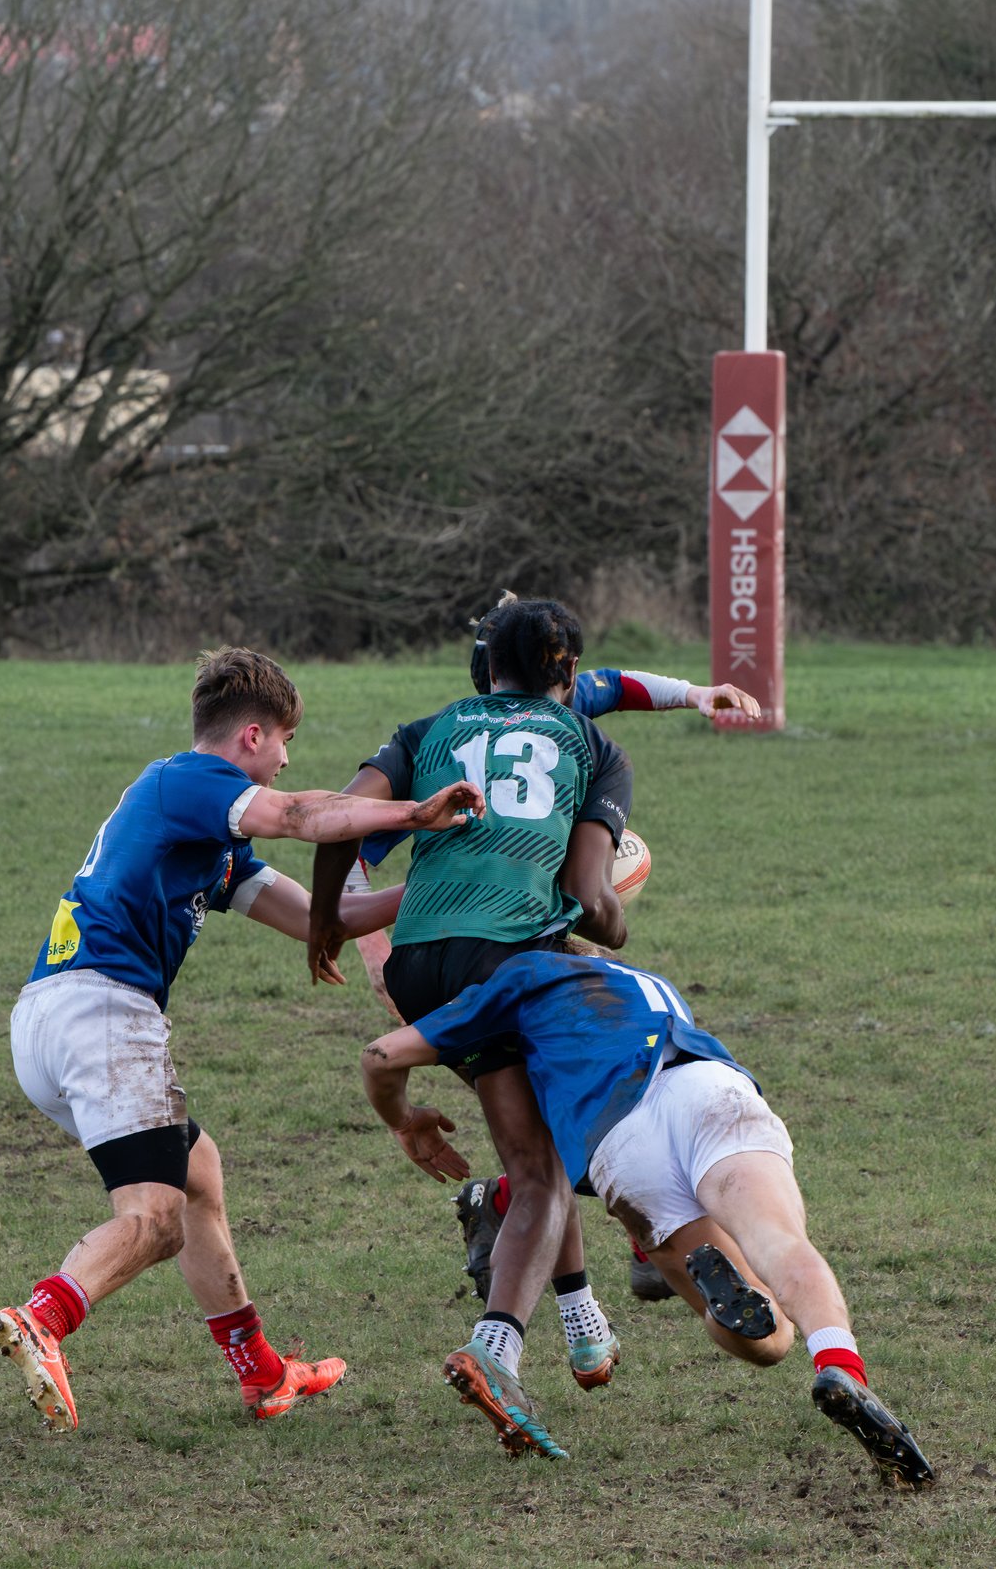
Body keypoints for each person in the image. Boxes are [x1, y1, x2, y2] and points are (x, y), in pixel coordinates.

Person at [0, 647, 482, 1434]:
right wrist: (410, 813)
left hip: (60, 1017)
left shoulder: (207, 841)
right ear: (251, 736)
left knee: (198, 1173)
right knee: (155, 1218)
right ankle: (44, 1315)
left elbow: (324, 918)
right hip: (103, 1015)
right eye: (285, 741)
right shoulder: (184, 781)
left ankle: (263, 1373)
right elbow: (299, 816)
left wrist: (448, 887)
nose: (287, 760)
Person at [359, 950, 937, 1486]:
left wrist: (406, 1118)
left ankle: (721, 1298)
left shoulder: (522, 975)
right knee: (781, 1241)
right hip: (705, 1089)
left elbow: (381, 1055)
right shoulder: (646, 981)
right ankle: (840, 1365)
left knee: (771, 1343)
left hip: (621, 1142)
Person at [332, 596, 757, 1309]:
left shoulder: (555, 697)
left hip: (529, 933)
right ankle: (615, 1233)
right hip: (487, 948)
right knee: (578, 1090)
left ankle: (549, 1228)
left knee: (575, 1083)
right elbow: (355, 845)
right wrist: (373, 946)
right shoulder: (463, 739)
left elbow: (617, 685)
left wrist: (694, 695)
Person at [302, 598, 645, 1441]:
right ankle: (499, 1345)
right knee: (543, 1165)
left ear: (483, 669)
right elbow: (593, 902)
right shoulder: (592, 746)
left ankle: (582, 1317)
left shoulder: (425, 730)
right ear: (568, 674)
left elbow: (336, 818)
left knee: (534, 1146)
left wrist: (323, 921)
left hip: (421, 965)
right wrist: (617, 918)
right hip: (510, 960)